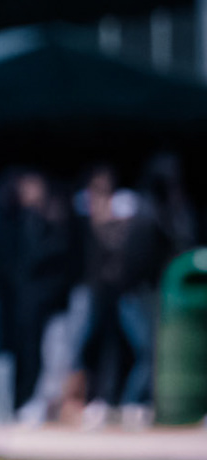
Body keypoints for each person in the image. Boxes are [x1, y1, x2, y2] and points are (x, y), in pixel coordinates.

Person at [75, 166, 161, 427]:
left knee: (141, 350)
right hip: (103, 299)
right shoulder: (89, 221)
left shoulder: (132, 220)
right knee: (97, 350)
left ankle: (131, 402)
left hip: (129, 297)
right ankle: (101, 402)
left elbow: (137, 259)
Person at [3, 171, 75, 424]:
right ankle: (26, 402)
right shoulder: (19, 219)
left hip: (52, 300)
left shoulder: (55, 218)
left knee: (54, 354)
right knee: (29, 354)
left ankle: (46, 403)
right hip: (28, 302)